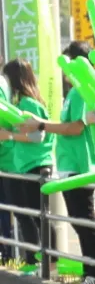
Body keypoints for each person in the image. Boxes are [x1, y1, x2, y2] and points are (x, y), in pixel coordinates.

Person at [32, 41, 95, 284]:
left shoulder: (82, 90)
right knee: (79, 220)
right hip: (70, 163)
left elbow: (75, 127)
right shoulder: (74, 91)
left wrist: (41, 125)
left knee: (84, 220)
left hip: (80, 164)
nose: (64, 72)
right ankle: (91, 271)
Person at [0, 60, 55, 262]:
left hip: (36, 164)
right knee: (28, 214)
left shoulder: (28, 104)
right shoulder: (21, 104)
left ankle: (49, 260)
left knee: (39, 215)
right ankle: (35, 258)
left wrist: (9, 136)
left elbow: (38, 135)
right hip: (26, 165)